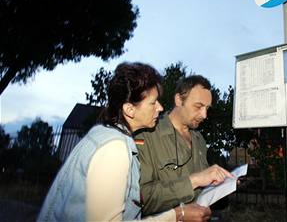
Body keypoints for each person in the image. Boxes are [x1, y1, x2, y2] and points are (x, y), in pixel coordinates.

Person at [37, 62, 211, 222]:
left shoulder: (104, 133)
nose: (160, 107)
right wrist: (177, 214)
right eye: (153, 103)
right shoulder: (114, 148)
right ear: (129, 110)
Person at [136, 75, 233, 216]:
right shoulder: (147, 136)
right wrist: (194, 181)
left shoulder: (199, 139)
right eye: (198, 106)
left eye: (207, 108)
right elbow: (142, 199)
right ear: (179, 100)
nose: (204, 115)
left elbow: (202, 188)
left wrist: (223, 183)